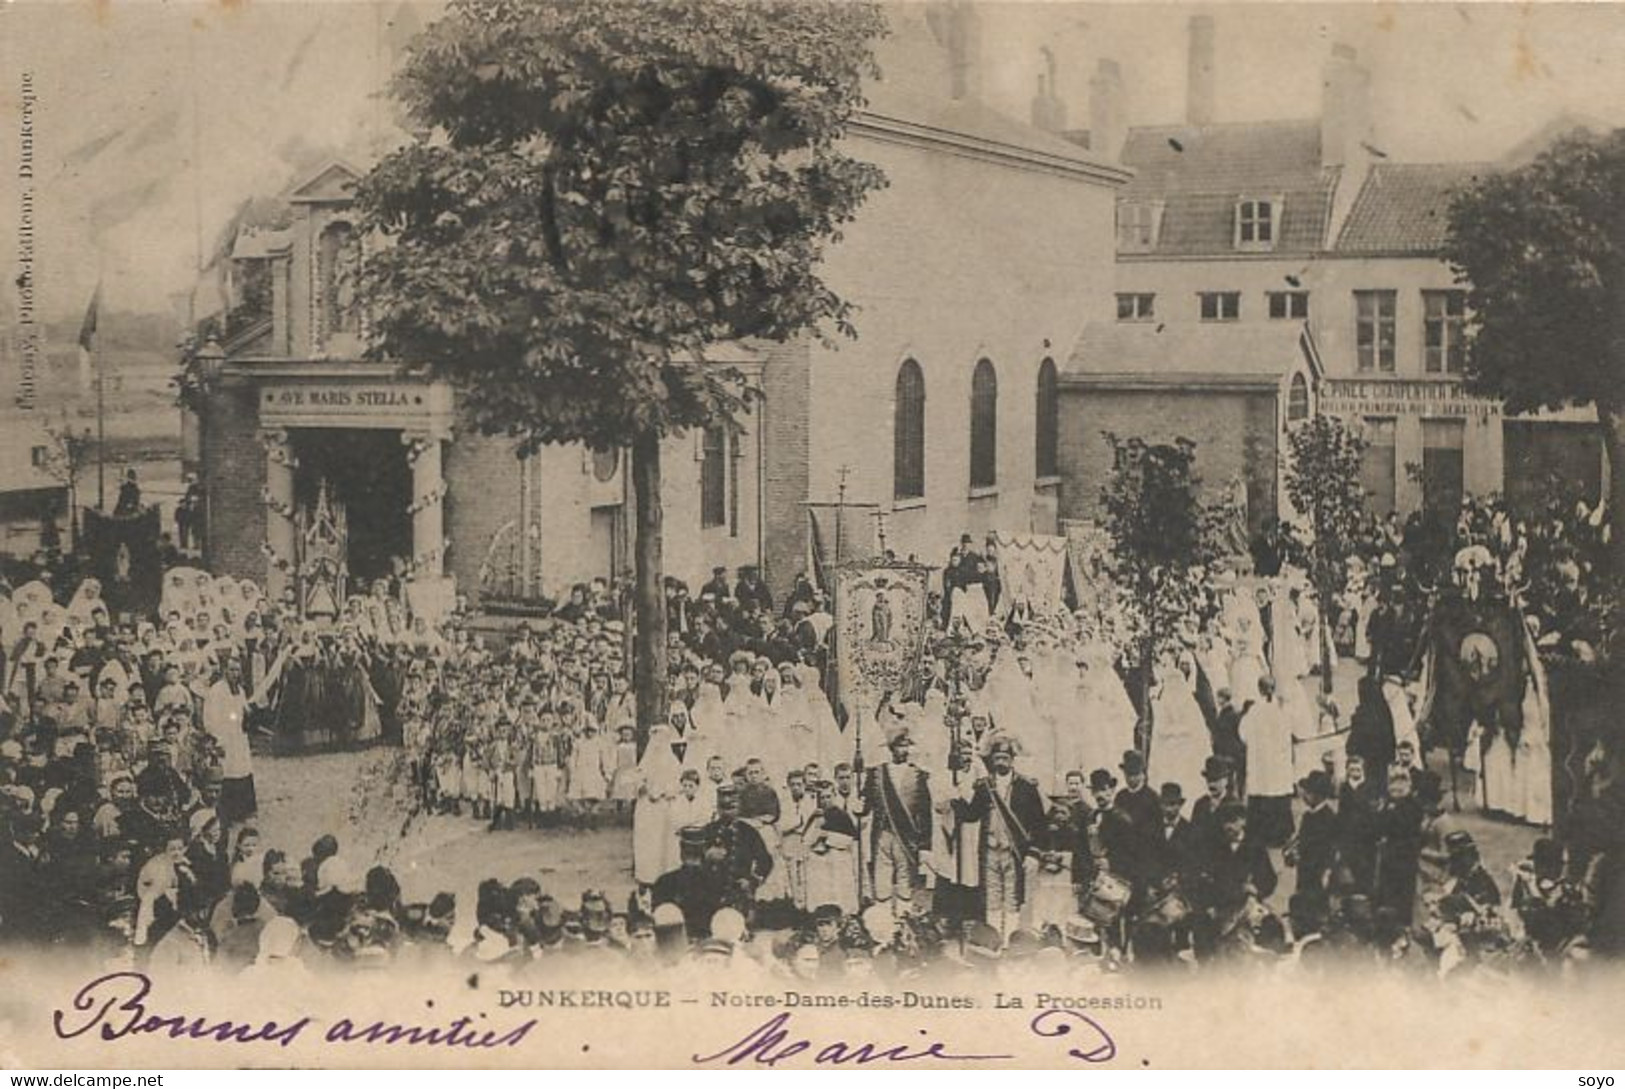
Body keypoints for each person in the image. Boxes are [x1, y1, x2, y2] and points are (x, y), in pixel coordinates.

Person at [952, 735, 1047, 938]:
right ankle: (994, 940)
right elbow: (972, 814)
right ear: (992, 760)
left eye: (1005, 757)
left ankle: (1009, 941)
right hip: (989, 851)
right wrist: (957, 800)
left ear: (1012, 759)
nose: (1001, 762)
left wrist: (1033, 853)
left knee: (1012, 899)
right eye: (997, 758)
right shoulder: (984, 787)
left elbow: (1039, 825)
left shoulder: (1026, 787)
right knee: (992, 899)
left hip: (1014, 852)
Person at [860, 724, 933, 917]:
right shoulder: (876, 774)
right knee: (882, 880)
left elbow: (925, 813)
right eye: (900, 746)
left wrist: (925, 845)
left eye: (907, 746)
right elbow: (865, 803)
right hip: (882, 834)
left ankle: (903, 923)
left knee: (905, 881)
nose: (904, 750)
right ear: (891, 749)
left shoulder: (919, 775)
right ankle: (882, 925)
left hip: (907, 837)